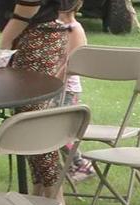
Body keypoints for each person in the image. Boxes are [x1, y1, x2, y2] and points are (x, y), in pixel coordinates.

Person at [0, 0, 75, 205]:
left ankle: (56, 199)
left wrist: (6, 39)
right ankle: (40, 191)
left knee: (32, 120)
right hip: (30, 34)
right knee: (25, 118)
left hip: (36, 34)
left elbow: (29, 4)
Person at [56, 1, 95, 183]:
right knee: (48, 128)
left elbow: (70, 64)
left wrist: (52, 81)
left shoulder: (74, 29)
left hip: (66, 89)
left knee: (57, 130)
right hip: (54, 87)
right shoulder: (55, 27)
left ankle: (81, 164)